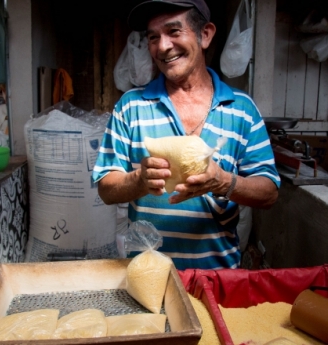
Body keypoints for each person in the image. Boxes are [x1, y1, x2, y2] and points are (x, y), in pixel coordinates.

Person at [92, 0, 280, 270]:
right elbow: (106, 189)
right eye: (153, 37)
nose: (163, 46)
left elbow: (269, 192)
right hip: (149, 277)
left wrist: (222, 181)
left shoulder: (242, 109)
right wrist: (140, 179)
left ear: (205, 35)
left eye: (174, 32)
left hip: (217, 279)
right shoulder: (130, 107)